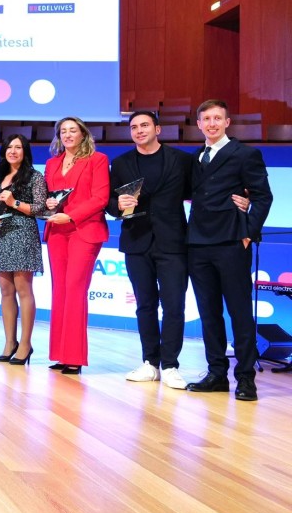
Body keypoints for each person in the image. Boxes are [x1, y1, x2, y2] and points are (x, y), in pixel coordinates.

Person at [185, 99, 273, 401]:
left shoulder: (245, 154)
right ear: (198, 124)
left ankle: (246, 378)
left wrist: (248, 232)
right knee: (209, 314)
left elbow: (263, 196)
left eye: (217, 118)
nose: (211, 123)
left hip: (232, 242)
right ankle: (216, 374)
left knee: (239, 313)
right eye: (206, 119)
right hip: (197, 244)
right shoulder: (196, 157)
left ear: (227, 122)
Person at [106, 111, 193, 389]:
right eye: (134, 127)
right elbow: (108, 202)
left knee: (174, 306)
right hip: (136, 241)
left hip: (174, 242)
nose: (139, 130)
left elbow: (200, 193)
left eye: (145, 125)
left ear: (158, 128)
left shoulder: (181, 160)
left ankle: (170, 365)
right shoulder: (120, 163)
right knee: (145, 305)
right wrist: (117, 205)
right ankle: (150, 363)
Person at [43, 117, 110, 375]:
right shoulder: (52, 163)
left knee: (75, 290)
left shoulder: (97, 160)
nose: (68, 135)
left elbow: (100, 197)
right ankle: (60, 354)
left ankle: (74, 357)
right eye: (64, 131)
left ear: (83, 134)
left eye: (73, 130)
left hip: (84, 229)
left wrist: (71, 215)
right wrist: (51, 204)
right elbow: (53, 196)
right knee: (59, 291)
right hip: (57, 230)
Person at [0, 134, 47, 365]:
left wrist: (14, 203)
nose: (13, 151)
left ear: (25, 151)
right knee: (5, 292)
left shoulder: (34, 177)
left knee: (24, 290)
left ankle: (25, 344)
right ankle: (9, 342)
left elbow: (40, 209)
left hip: (23, 233)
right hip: (0, 235)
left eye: (18, 147)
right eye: (9, 147)